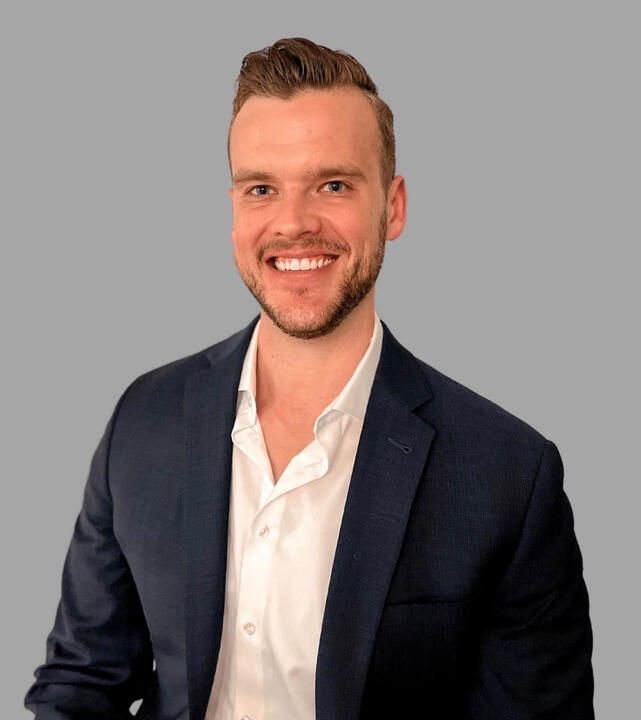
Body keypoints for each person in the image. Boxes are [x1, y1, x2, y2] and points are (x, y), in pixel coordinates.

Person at [25, 37, 594, 719]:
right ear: (234, 209)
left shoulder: (506, 474)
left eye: (332, 185)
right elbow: (81, 681)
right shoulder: (143, 419)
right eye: (261, 188)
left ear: (393, 206)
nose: (293, 223)